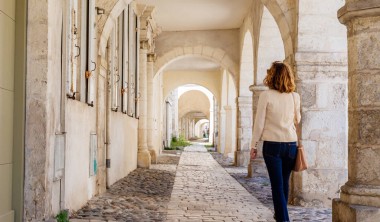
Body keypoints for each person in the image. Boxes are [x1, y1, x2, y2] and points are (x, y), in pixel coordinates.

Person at [250, 61, 301, 222]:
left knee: (276, 185)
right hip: (291, 145)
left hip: (272, 145)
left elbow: (259, 123)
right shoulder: (295, 96)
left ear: (272, 76)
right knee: (284, 182)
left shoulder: (266, 95)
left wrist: (253, 145)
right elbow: (298, 119)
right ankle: (280, 214)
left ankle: (283, 219)